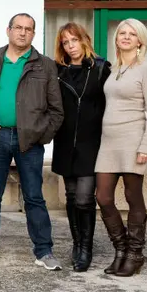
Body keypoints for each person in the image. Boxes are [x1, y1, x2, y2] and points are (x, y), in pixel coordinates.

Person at [0, 13, 64, 270]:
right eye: (18, 27)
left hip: (29, 140)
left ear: (33, 34)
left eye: (28, 29)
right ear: (8, 30)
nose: (22, 32)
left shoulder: (45, 65)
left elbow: (56, 109)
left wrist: (41, 135)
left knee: (34, 196)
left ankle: (44, 251)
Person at [95, 18, 147, 277]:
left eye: (132, 34)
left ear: (140, 41)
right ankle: (121, 249)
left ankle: (134, 254)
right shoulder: (114, 69)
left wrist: (146, 145)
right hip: (108, 142)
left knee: (133, 196)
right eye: (122, 33)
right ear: (116, 38)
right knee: (103, 197)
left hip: (134, 140)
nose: (126, 37)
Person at [52, 23, 111, 273]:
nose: (70, 46)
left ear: (84, 40)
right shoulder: (58, 71)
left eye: (74, 40)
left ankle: (86, 248)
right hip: (65, 142)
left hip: (92, 142)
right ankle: (77, 244)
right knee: (71, 196)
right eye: (65, 42)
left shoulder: (101, 69)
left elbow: (112, 104)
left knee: (85, 198)